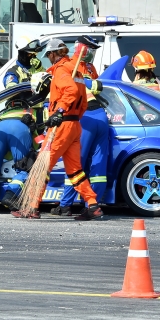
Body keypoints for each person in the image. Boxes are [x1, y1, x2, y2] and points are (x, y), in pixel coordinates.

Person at [12, 39, 102, 221]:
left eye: (49, 55)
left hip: (61, 126)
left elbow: (70, 91)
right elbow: (82, 101)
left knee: (43, 166)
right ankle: (92, 205)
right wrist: (73, 116)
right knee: (75, 171)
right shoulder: (76, 71)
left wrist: (59, 111)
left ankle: (31, 207)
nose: (49, 59)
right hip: (75, 125)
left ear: (54, 53)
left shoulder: (62, 70)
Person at [51, 36, 109, 216]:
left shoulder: (70, 66)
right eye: (90, 49)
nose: (91, 53)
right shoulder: (86, 67)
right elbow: (97, 86)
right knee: (96, 165)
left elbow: (74, 91)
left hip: (83, 117)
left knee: (76, 163)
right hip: (100, 115)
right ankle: (92, 206)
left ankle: (67, 204)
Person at [0, 99, 35, 212]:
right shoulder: (31, 112)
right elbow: (39, 136)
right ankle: (10, 196)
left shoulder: (2, 113)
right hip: (21, 127)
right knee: (24, 169)